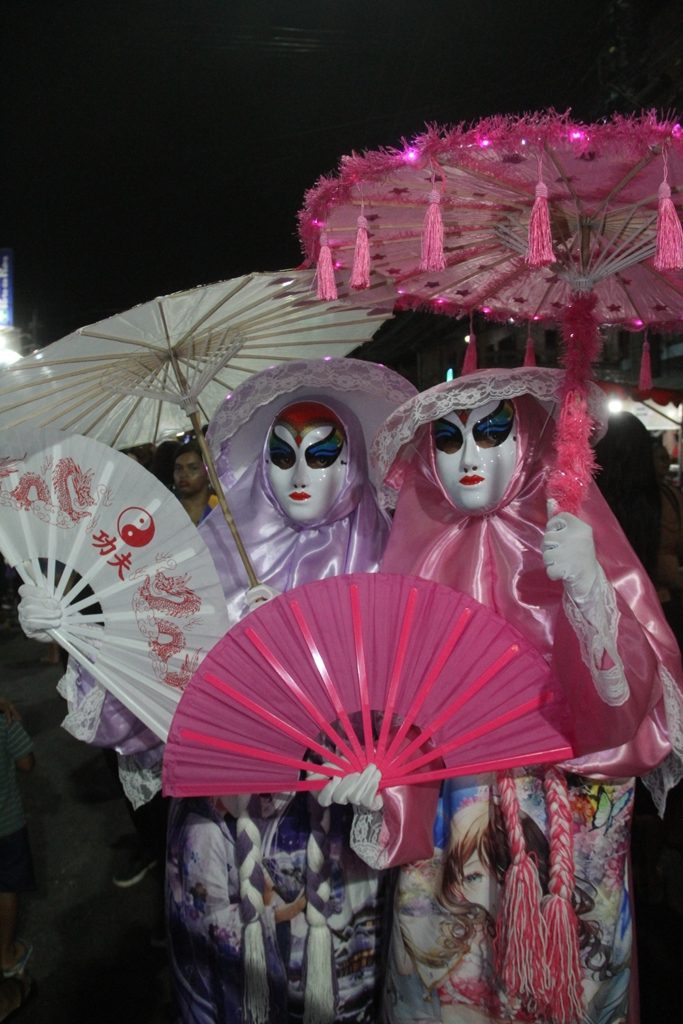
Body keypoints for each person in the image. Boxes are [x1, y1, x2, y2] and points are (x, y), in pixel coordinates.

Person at [364, 366, 683, 1024]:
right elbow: (389, 707)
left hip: (566, 817)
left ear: (532, 439)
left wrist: (590, 592)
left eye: (490, 431)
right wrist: (374, 777)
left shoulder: (574, 535)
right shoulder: (416, 557)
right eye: (447, 440)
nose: (469, 458)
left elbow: (634, 706)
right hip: (454, 829)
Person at [166, 357, 417, 1024]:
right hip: (225, 831)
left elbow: (418, 698)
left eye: (323, 454)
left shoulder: (392, 556)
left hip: (342, 841)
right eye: (282, 455)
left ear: (354, 462)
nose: (301, 474)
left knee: (336, 996)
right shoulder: (215, 554)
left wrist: (385, 770)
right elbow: (152, 694)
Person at [0, 699, 35, 981]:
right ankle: (6, 954)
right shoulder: (4, 719)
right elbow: (26, 762)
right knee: (6, 887)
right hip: (6, 824)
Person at [172, 441, 217, 526]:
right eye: (178, 468)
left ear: (208, 472)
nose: (183, 475)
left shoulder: (220, 509)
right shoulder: (168, 511)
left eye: (193, 468)